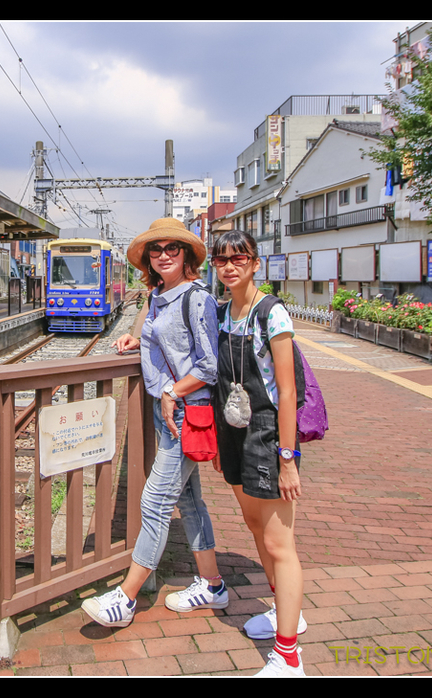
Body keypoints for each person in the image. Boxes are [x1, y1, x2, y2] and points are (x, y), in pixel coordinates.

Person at [83, 217, 226, 628]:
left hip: (184, 413)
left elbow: (209, 365)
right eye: (156, 250)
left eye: (172, 249)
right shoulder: (159, 293)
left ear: (187, 255)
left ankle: (126, 599)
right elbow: (153, 330)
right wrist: (135, 340)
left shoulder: (196, 298)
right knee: (188, 501)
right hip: (167, 414)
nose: (163, 255)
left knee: (155, 501)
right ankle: (213, 585)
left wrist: (172, 391)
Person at [210, 229, 306, 677]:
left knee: (278, 542)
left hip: (268, 436)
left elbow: (287, 392)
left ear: (254, 264)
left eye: (238, 259)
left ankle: (289, 656)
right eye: (221, 260)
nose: (229, 267)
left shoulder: (273, 313)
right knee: (253, 525)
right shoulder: (223, 311)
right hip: (233, 431)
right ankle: (281, 613)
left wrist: (287, 459)